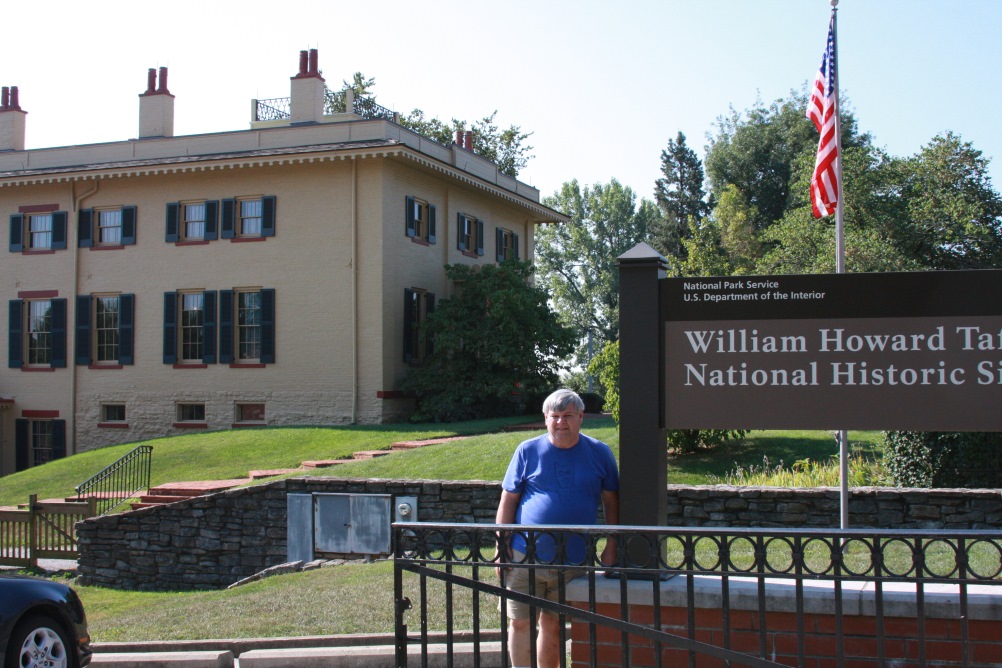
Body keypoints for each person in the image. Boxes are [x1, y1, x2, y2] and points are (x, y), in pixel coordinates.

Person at [495, 388, 620, 668]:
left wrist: (612, 544)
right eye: (555, 416)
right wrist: (500, 546)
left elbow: (611, 501)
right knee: (519, 624)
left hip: (574, 559)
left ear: (581, 417)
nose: (561, 422)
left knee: (553, 625)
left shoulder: (600, 453)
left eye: (567, 416)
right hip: (523, 557)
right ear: (545, 418)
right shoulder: (527, 451)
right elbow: (508, 500)